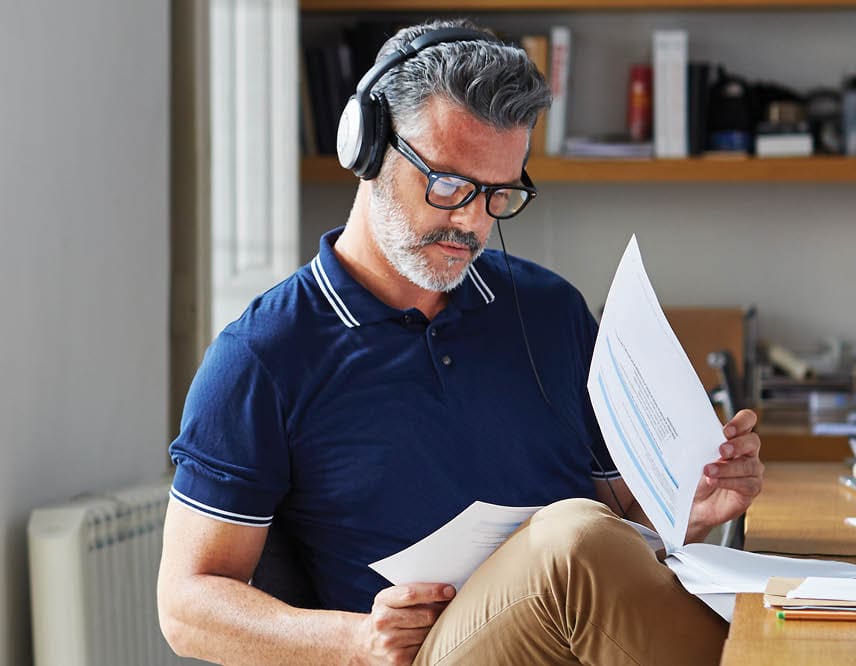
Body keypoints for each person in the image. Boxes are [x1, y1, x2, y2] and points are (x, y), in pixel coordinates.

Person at [157, 18, 763, 666]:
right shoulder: (262, 357)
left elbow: (626, 524)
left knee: (780, 608)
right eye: (449, 185)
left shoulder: (550, 311)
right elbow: (187, 605)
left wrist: (688, 509)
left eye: (500, 194)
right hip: (421, 655)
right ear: (369, 150)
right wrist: (354, 641)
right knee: (570, 539)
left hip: (576, 643)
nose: (472, 222)